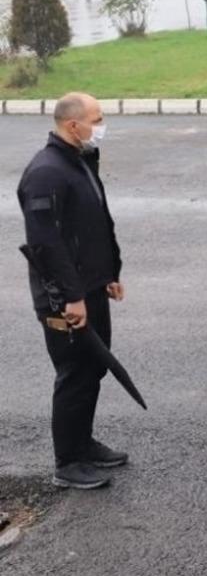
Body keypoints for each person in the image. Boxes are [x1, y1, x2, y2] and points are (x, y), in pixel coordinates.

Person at [17, 93, 126, 490]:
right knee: (74, 374)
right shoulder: (46, 173)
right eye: (97, 119)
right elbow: (46, 244)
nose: (101, 126)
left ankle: (83, 443)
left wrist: (110, 272)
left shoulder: (77, 160)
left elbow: (96, 224)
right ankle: (67, 462)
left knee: (93, 369)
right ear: (72, 124)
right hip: (64, 298)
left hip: (91, 288)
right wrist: (71, 297)